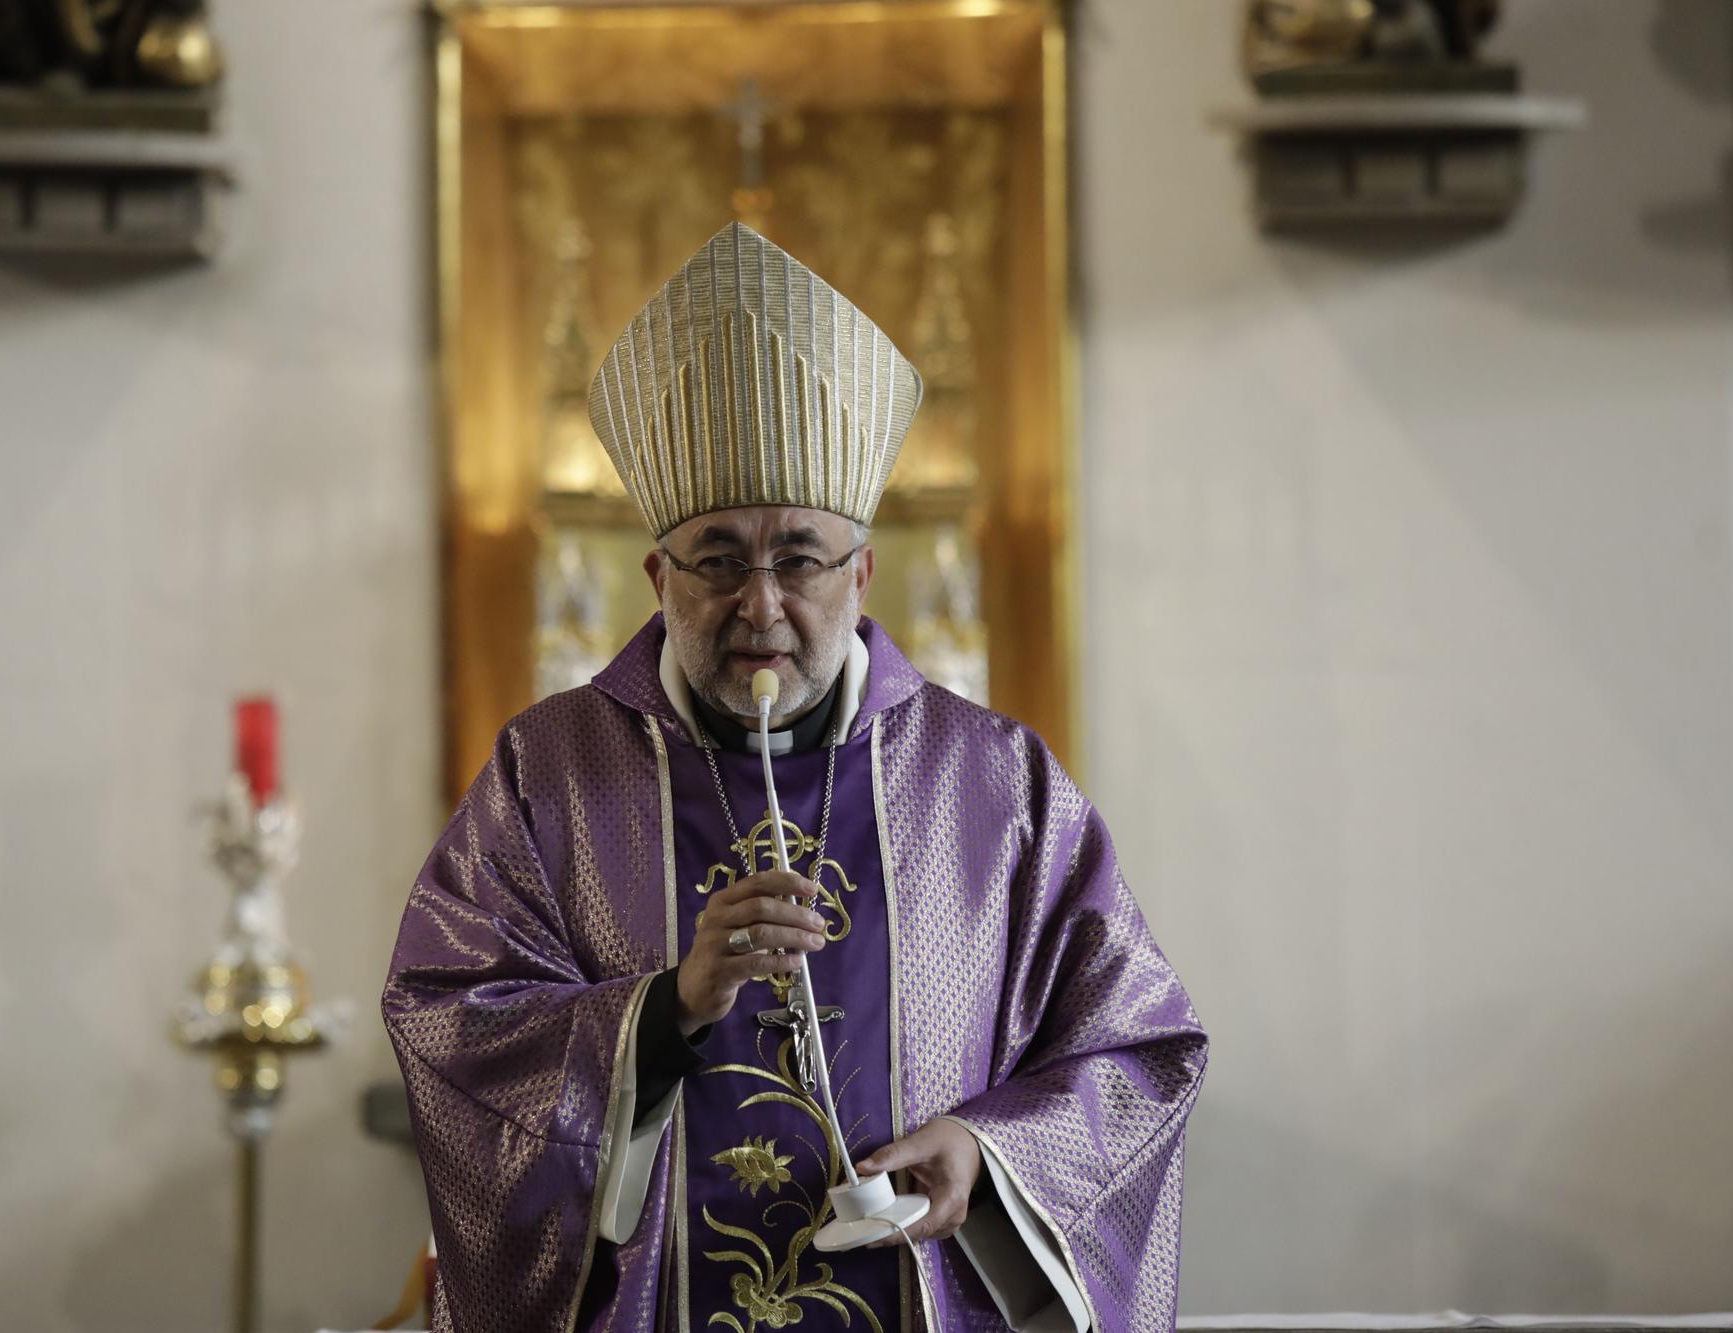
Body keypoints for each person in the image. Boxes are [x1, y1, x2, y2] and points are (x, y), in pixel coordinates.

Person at [383, 222, 1207, 1333]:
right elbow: (451, 1023)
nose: (759, 604)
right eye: (717, 558)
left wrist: (988, 1152)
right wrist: (667, 1011)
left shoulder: (991, 784)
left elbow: (1135, 1049)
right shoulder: (553, 774)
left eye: (800, 558)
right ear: (655, 576)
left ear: (861, 570)